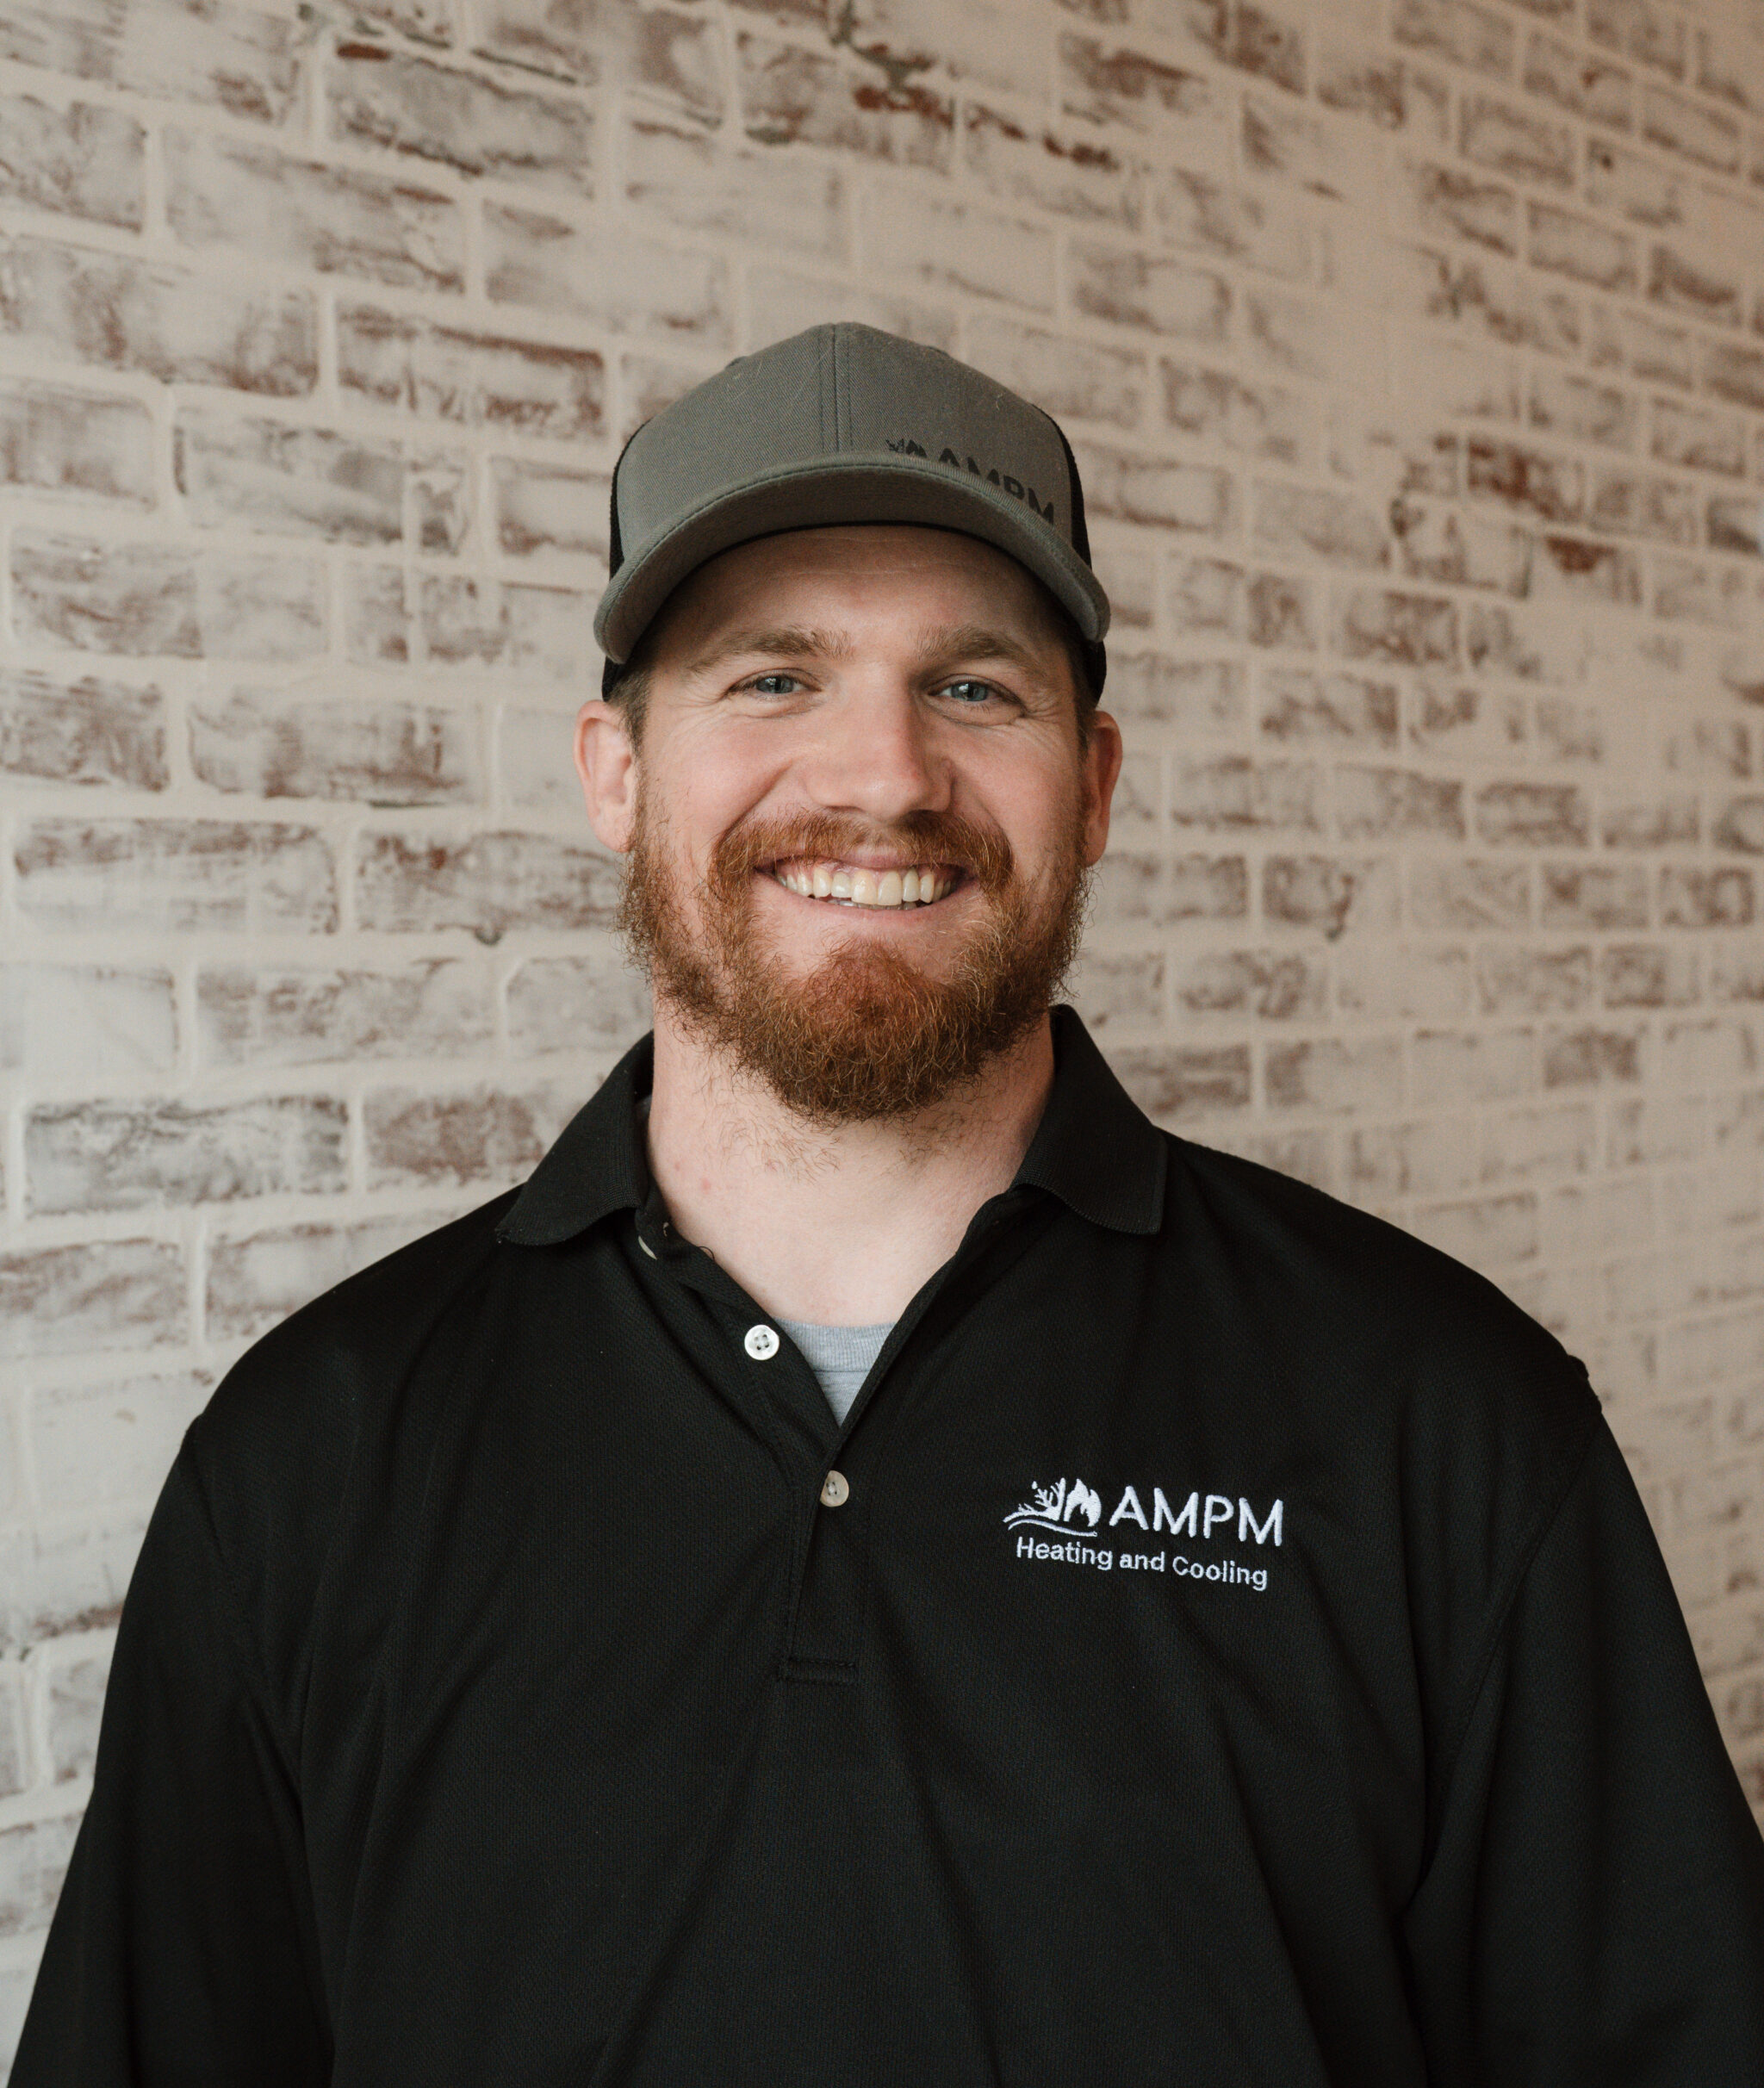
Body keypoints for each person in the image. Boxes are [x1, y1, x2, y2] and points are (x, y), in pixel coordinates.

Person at [14, 324, 1764, 2085]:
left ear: (1095, 784)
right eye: (774, 676)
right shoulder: (314, 1460)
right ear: (615, 771)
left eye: (975, 687)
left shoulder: (1442, 1422)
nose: (885, 775)